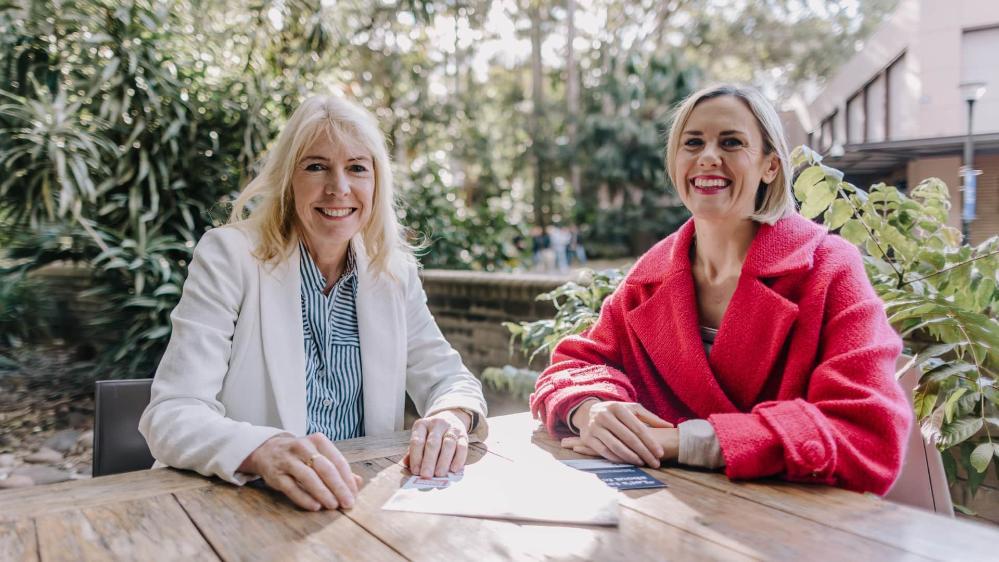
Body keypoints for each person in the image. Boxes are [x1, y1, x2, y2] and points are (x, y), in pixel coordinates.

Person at [529, 84, 912, 494]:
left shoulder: (831, 268)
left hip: (797, 528)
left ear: (770, 166)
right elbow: (573, 366)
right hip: (667, 518)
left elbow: (867, 435)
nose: (708, 157)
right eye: (692, 143)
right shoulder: (650, 276)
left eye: (731, 142)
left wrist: (687, 441)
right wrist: (591, 409)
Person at [140, 94, 487, 512]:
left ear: (377, 182)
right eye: (316, 166)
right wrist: (262, 449)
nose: (339, 187)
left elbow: (449, 377)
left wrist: (451, 416)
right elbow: (174, 412)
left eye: (357, 167)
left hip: (359, 502)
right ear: (288, 178)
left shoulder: (392, 272)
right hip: (242, 505)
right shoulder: (229, 257)